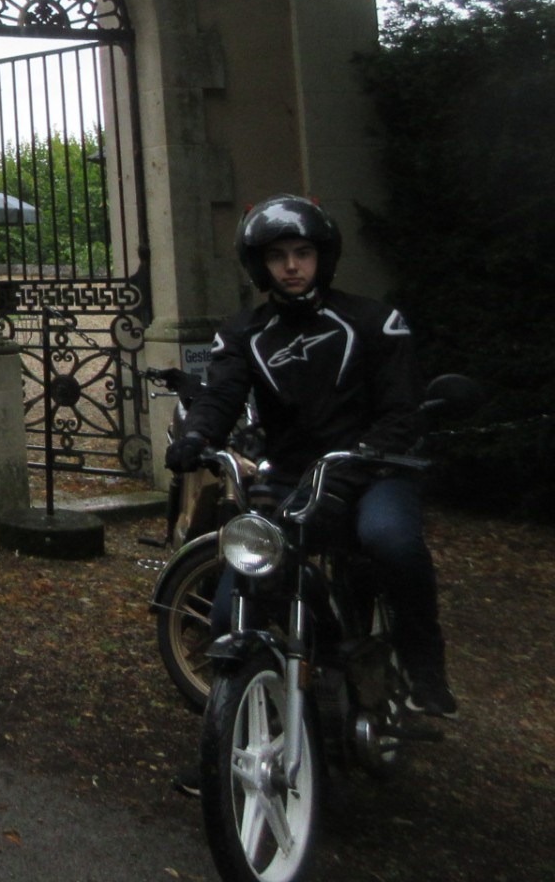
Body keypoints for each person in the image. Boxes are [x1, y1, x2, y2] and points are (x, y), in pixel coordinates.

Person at [165, 194, 456, 717]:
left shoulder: (374, 321)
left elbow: (403, 410)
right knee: (238, 591)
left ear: (323, 256)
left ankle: (424, 668)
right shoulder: (245, 334)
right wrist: (196, 437)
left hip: (374, 472)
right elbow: (221, 395)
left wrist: (367, 454)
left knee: (389, 541)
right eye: (278, 256)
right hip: (296, 478)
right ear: (261, 265)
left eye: (302, 252)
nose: (292, 265)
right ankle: (234, 728)